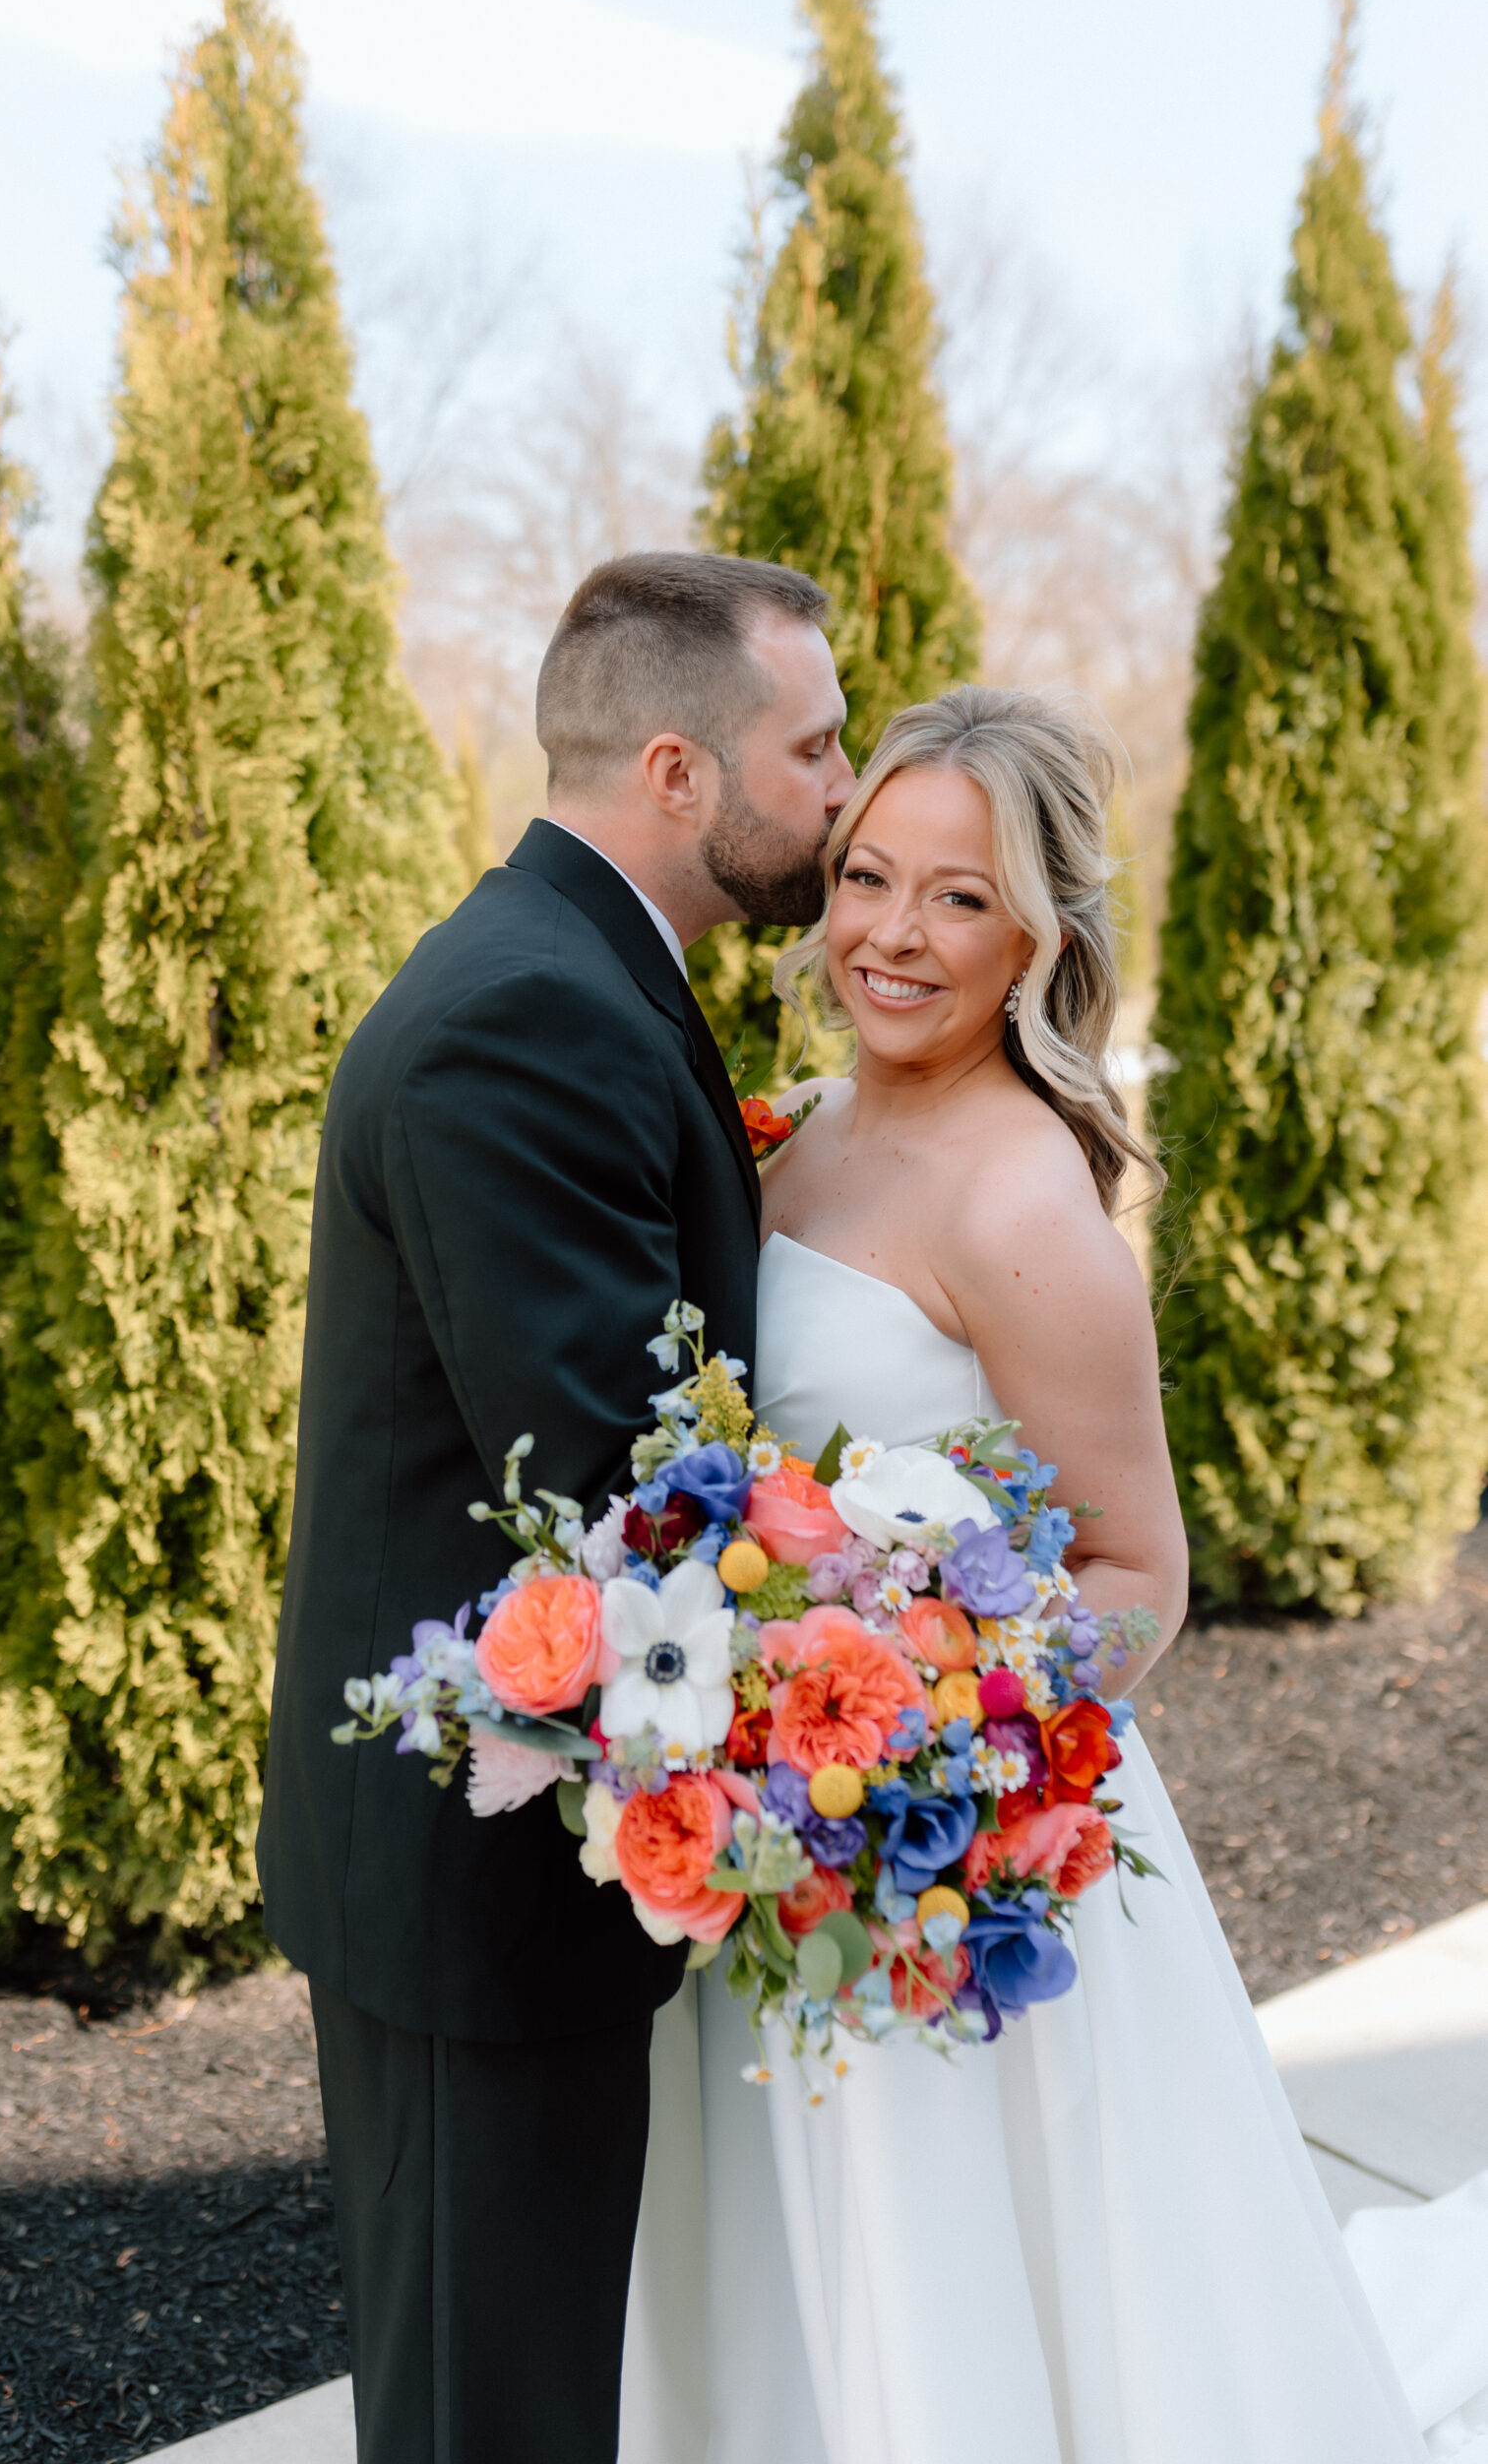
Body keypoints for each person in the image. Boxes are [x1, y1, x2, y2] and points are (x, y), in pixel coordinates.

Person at [621, 685, 1429, 2464]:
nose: (892, 936)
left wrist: (943, 1746)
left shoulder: (1024, 1213)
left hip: (939, 1868)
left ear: (1037, 937)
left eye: (958, 898)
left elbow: (1144, 1564)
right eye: (868, 877)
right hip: (772, 1841)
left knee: (968, 2307)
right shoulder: (802, 1126)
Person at [257, 551, 856, 2464]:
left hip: (520, 1856)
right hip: (473, 1875)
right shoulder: (523, 1016)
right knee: (484, 2410)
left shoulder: (584, 970)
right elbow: (617, 1480)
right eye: (813, 743)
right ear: (676, 770)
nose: (838, 788)